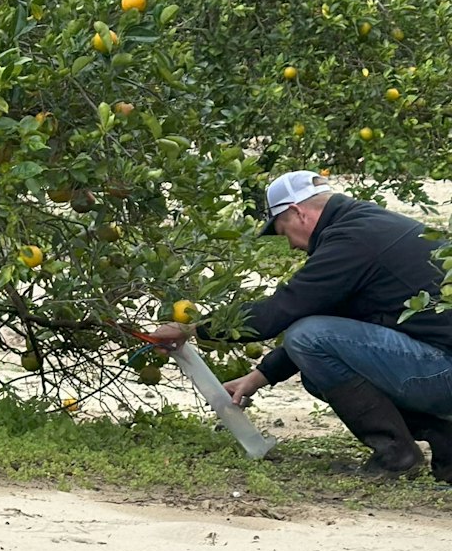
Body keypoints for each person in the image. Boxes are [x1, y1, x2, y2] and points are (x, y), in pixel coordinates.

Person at [142, 170, 452, 481]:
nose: (290, 245)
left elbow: (279, 313)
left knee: (308, 336)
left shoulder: (352, 240)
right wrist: (257, 379)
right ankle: (444, 442)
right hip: (437, 362)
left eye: (282, 230)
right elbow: (332, 317)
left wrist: (191, 328)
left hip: (443, 371)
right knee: (318, 373)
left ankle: (398, 457)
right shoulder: (364, 226)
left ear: (296, 212)